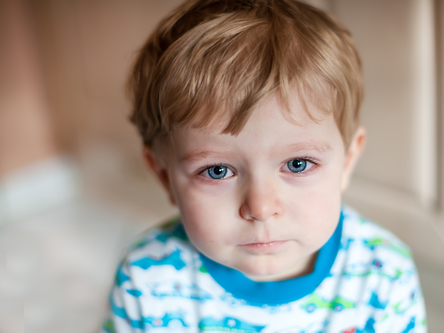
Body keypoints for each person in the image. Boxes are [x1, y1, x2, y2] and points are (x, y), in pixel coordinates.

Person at [102, 0, 426, 332]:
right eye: (217, 170)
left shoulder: (385, 275)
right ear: (164, 177)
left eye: (298, 164)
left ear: (347, 161)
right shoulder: (144, 280)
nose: (261, 207)